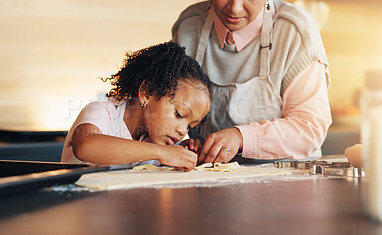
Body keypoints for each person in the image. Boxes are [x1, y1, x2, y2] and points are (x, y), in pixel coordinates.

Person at [172, 0, 332, 164]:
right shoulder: (189, 24)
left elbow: (309, 128)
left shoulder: (295, 31)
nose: (235, 8)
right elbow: (167, 110)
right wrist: (182, 143)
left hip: (288, 178)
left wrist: (241, 137)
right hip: (206, 177)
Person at [61, 42, 211, 171]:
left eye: (190, 126)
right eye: (179, 114)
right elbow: (85, 146)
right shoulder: (102, 112)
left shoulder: (152, 138)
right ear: (146, 92)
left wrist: (179, 153)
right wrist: (162, 152)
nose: (182, 130)